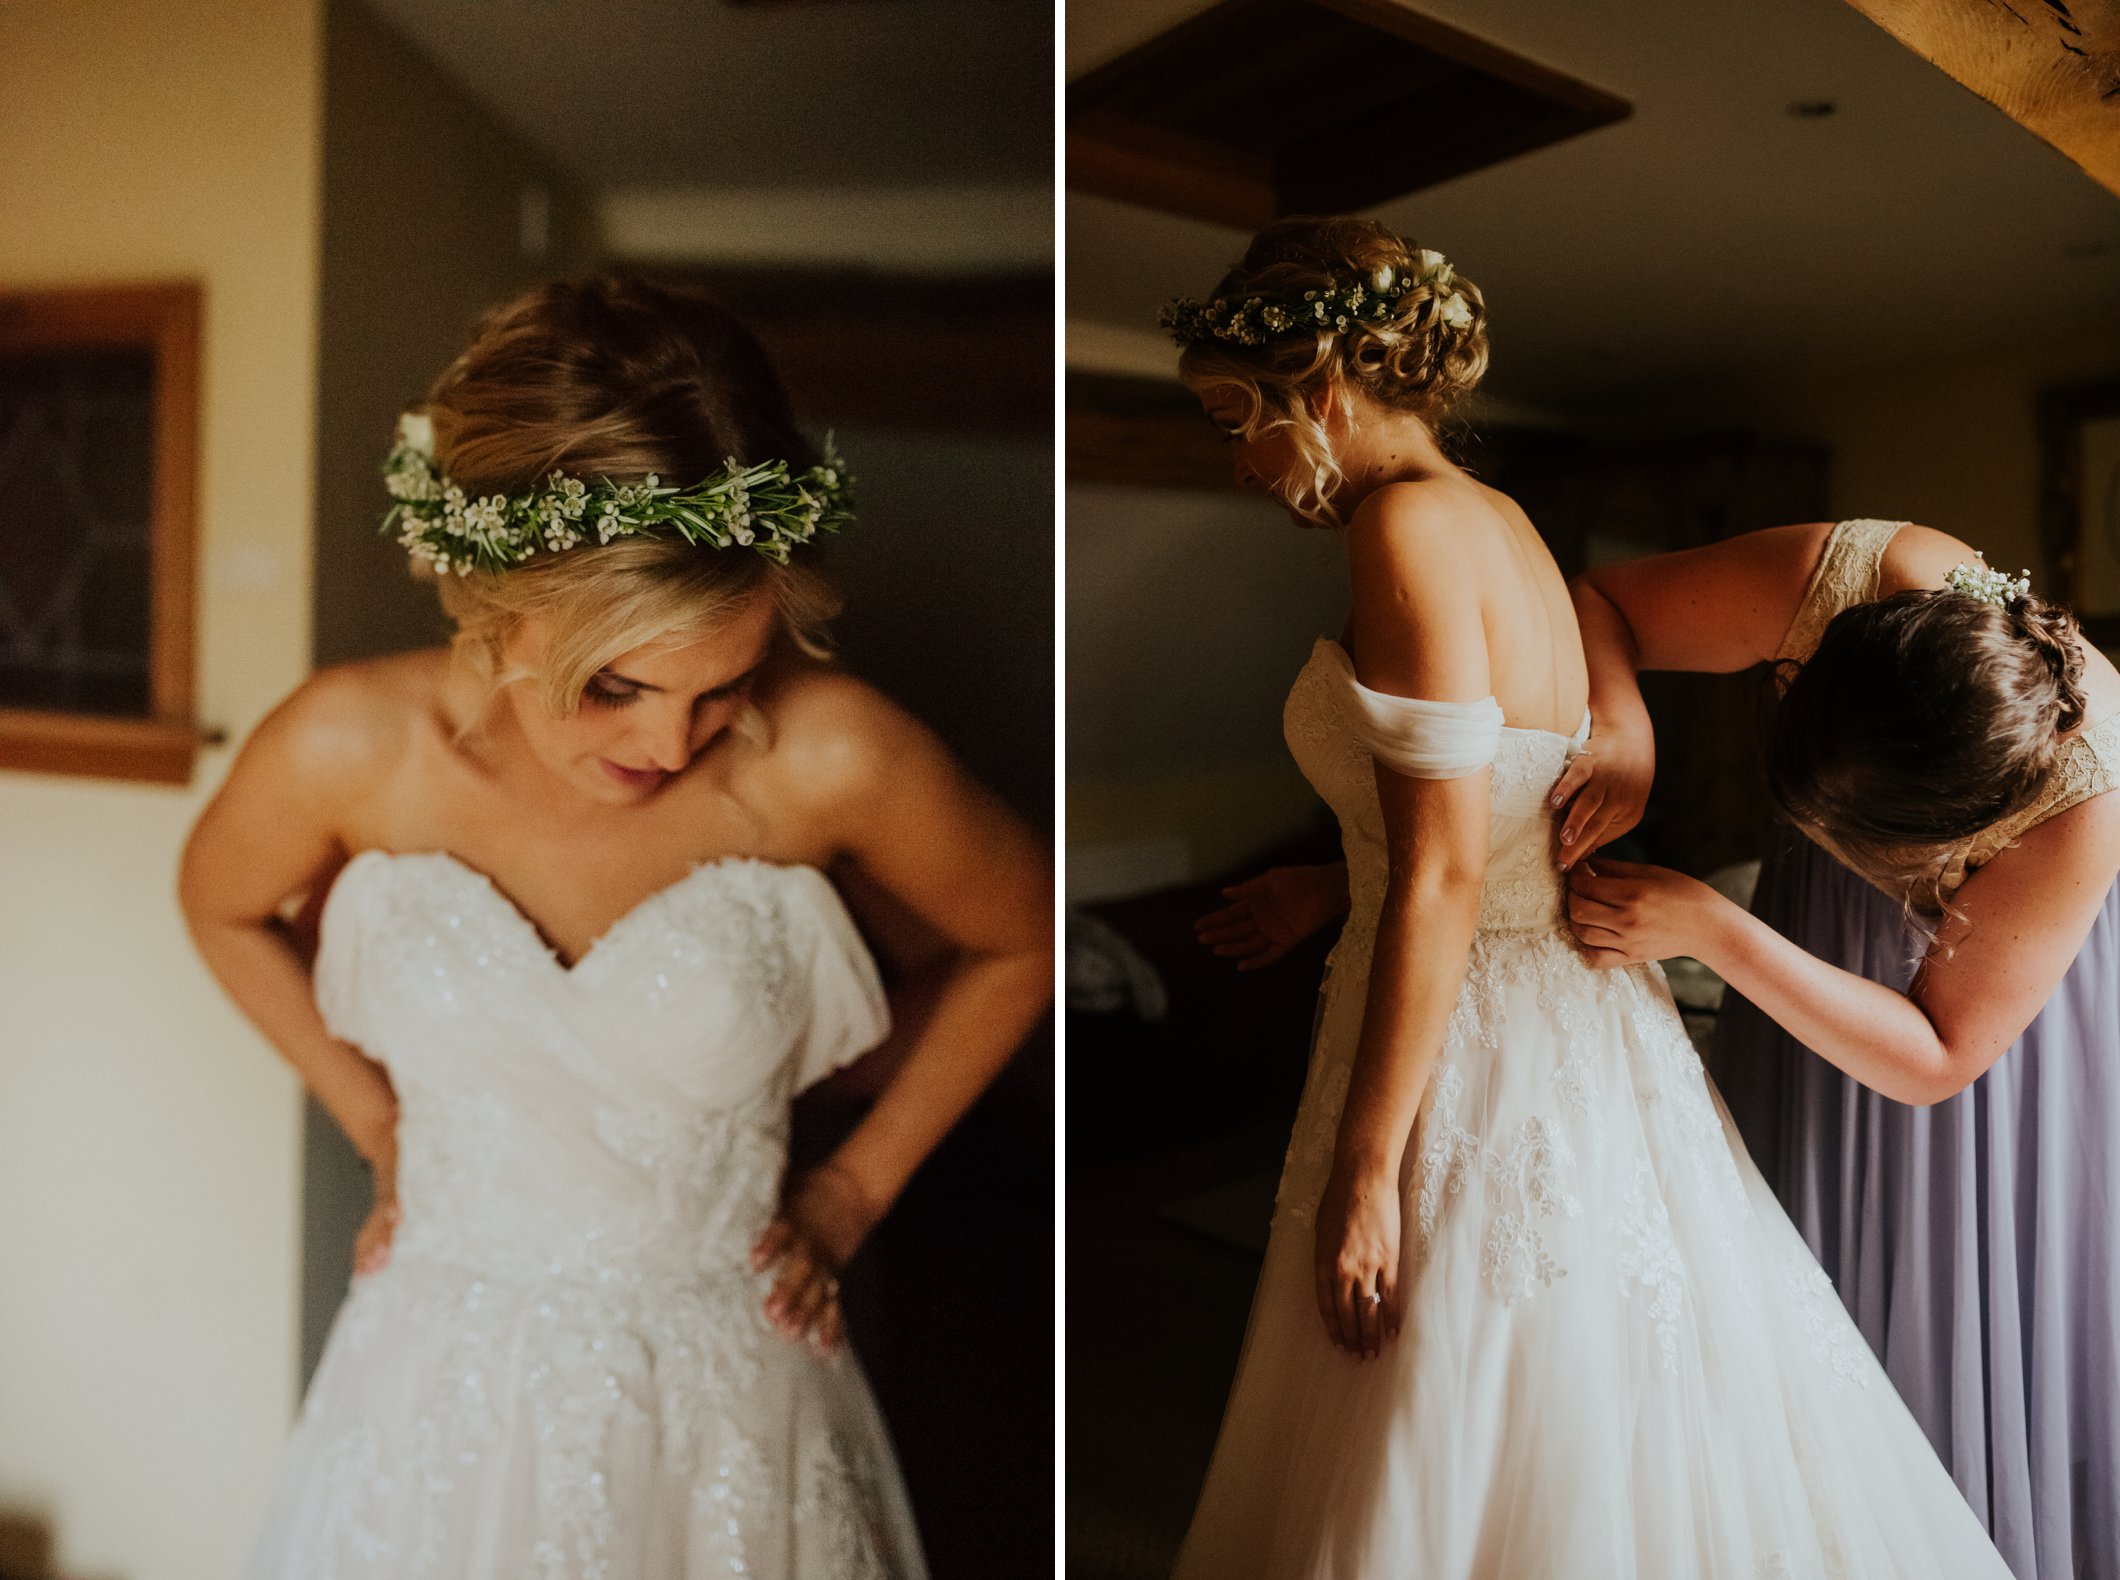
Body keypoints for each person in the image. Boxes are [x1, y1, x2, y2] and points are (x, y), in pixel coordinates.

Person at [1164, 217, 2011, 1579]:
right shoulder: (1498, 521)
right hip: (1565, 1001)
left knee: (1454, 1378)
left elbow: (1446, 869)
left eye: (1233, 419)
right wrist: (1337, 883)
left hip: (1475, 1026)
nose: (1238, 460)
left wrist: (1368, 1171)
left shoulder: (1402, 525)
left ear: (1317, 389)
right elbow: (1490, 820)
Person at [177, 275, 1052, 1580]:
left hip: (728, 1405)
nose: (669, 742)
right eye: (614, 686)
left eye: (725, 685)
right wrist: (375, 1120)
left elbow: (1021, 939)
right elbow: (219, 903)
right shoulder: (346, 747)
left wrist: (850, 1189)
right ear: (486, 597)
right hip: (432, 1392)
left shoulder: (831, 756)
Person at [1557, 519, 2120, 1579]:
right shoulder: (1843, 577)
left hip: (1983, 991)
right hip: (1811, 938)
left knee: (1936, 1300)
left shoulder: (2085, 798)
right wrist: (1625, 730)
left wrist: (1713, 928)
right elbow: (1601, 600)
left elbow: (1937, 1054)